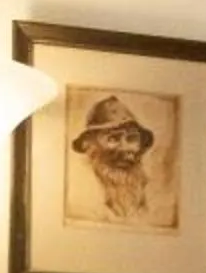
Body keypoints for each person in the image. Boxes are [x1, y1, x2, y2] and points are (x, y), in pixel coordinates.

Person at [64, 92, 176, 229]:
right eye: (113, 139)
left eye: (132, 139)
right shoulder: (77, 197)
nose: (125, 148)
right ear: (90, 146)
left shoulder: (157, 198)